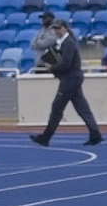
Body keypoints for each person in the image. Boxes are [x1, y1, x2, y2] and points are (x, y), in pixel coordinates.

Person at [30, 19, 102, 147]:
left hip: (70, 79)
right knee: (82, 107)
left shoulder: (68, 43)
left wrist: (52, 68)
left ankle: (46, 137)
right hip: (72, 78)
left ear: (65, 28)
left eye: (58, 28)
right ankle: (95, 133)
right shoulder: (64, 42)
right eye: (55, 29)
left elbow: (66, 63)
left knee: (57, 108)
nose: (57, 31)